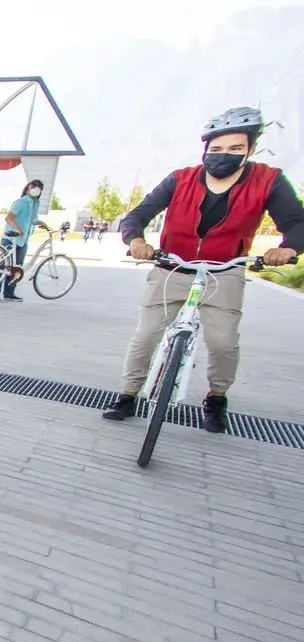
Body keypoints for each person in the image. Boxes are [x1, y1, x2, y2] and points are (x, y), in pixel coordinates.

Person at [102, 106, 303, 432]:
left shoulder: (268, 181)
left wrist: (288, 248)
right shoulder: (180, 179)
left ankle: (217, 398)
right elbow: (137, 215)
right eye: (217, 148)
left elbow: (296, 223)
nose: (224, 155)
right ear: (206, 148)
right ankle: (128, 394)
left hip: (224, 272)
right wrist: (136, 240)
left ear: (250, 148)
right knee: (146, 336)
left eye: (235, 148)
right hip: (172, 267)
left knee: (223, 343)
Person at [0, 178, 49, 301]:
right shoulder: (21, 202)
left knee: (17, 268)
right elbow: (8, 218)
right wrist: (18, 229)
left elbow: (33, 219)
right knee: (4, 266)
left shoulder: (35, 203)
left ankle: (9, 294)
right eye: (33, 186)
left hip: (23, 240)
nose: (36, 189)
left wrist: (41, 223)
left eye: (39, 188)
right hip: (11, 238)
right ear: (28, 188)